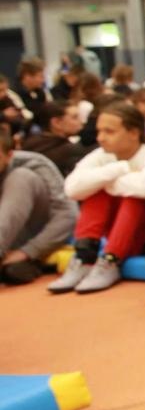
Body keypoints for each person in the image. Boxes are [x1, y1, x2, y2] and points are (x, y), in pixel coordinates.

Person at [50, 101, 145, 294]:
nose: (100, 138)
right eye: (99, 131)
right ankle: (84, 256)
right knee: (96, 192)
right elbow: (72, 189)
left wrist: (104, 180)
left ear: (133, 132)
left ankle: (110, 260)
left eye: (109, 131)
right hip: (114, 227)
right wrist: (120, 169)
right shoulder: (101, 155)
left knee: (132, 196)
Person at [0, 121, 77, 286]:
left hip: (36, 238)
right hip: (9, 246)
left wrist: (28, 251)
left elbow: (68, 215)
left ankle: (24, 262)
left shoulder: (36, 164)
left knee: (21, 177)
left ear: (9, 155)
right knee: (13, 271)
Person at [21, 101, 91, 177]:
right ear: (56, 123)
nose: (81, 122)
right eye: (75, 117)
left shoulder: (28, 143)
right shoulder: (71, 150)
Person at [16, 59, 49, 125]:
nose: (43, 80)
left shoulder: (40, 92)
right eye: (40, 76)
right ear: (27, 76)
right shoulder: (14, 94)